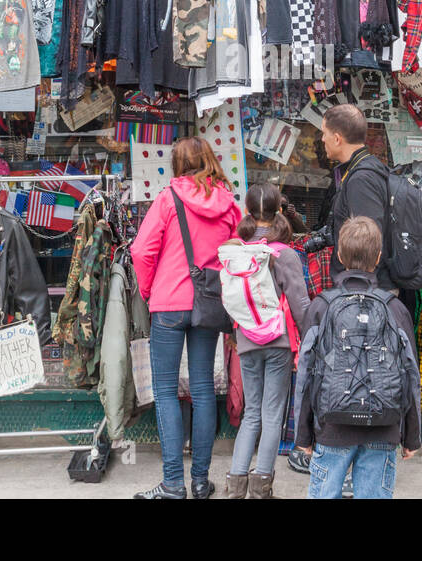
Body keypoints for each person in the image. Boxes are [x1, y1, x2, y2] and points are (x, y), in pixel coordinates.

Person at [131, 136, 241, 499]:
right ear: (209, 160)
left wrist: (149, 291)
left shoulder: (168, 198)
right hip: (209, 303)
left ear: (178, 164)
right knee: (204, 390)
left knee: (165, 392)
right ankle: (200, 481)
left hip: (168, 302)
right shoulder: (227, 203)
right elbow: (239, 252)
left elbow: (142, 250)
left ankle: (173, 483)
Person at [296, 217, 421, 499]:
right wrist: (411, 435)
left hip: (332, 427)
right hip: (383, 426)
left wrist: (303, 434)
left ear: (339, 256)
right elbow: (409, 373)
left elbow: (305, 373)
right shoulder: (395, 308)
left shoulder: (321, 306)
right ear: (378, 258)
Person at [224, 183, 312, 499]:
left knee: (251, 413)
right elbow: (300, 304)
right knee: (272, 415)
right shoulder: (284, 253)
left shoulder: (235, 251)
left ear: (248, 210)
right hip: (277, 342)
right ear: (278, 210)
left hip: (246, 339)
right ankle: (262, 486)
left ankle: (235, 485)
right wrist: (309, 336)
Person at [320, 104, 391, 289]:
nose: (322, 139)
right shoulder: (360, 170)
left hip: (365, 293)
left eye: (324, 133)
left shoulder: (361, 180)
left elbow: (369, 241)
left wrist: (361, 294)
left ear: (336, 139)